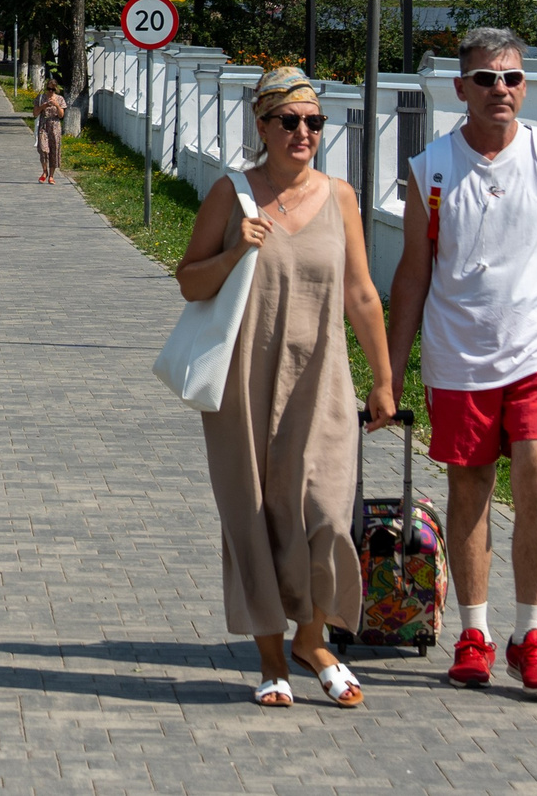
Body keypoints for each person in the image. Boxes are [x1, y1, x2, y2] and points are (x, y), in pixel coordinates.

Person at [386, 27, 537, 696]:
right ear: (461, 89)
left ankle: (530, 635)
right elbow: (413, 278)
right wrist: (389, 375)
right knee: (470, 489)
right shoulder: (431, 171)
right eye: (485, 79)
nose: (500, 90)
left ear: (524, 85)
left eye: (511, 78)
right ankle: (475, 635)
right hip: (460, 355)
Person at [178, 66, 398, 709]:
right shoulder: (233, 195)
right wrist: (233, 252)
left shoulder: (342, 198)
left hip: (322, 380)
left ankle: (313, 636)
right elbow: (190, 281)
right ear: (263, 126)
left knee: (327, 516)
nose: (304, 133)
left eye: (314, 123)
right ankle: (273, 657)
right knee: (254, 518)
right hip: (244, 381)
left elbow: (361, 292)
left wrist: (384, 379)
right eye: (290, 122)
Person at [34, 77, 66, 182]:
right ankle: (44, 171)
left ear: (56, 89)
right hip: (43, 125)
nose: (50, 92)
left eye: (52, 90)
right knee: (43, 149)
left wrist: (56, 105)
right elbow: (35, 113)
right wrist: (43, 106)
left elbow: (61, 115)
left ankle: (51, 175)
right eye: (49, 89)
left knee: (54, 150)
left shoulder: (60, 99)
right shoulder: (40, 98)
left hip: (55, 126)